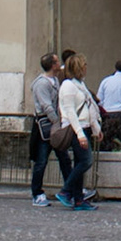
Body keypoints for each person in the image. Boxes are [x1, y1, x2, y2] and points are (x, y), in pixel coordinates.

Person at [57, 52, 103, 210]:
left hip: (85, 127)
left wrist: (96, 128)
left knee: (79, 161)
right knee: (85, 161)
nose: (86, 68)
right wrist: (80, 134)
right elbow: (70, 112)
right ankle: (66, 190)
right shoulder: (68, 85)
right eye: (84, 65)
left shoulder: (80, 84)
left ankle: (78, 199)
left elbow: (90, 107)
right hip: (77, 129)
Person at [29, 52, 71, 207]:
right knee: (41, 161)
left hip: (53, 124)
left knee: (64, 159)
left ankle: (70, 189)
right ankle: (37, 193)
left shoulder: (54, 80)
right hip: (46, 126)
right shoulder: (42, 84)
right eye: (57, 61)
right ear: (53, 65)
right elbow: (46, 106)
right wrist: (57, 122)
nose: (59, 63)